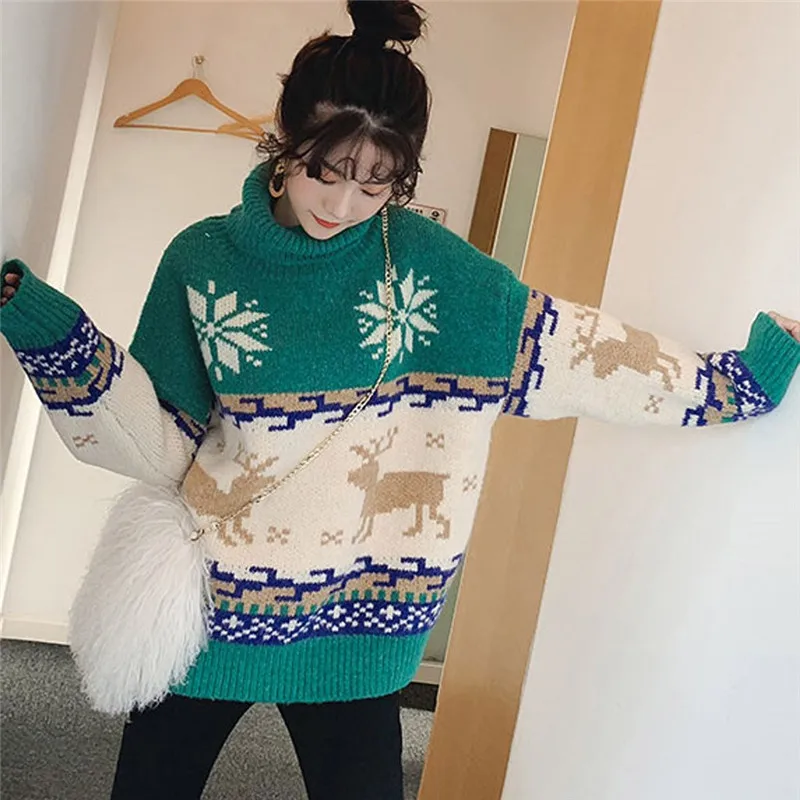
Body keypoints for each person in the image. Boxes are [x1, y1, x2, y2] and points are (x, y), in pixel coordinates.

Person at [2, 2, 799, 798]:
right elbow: (160, 438)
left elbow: (577, 350)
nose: (342, 205)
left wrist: (733, 384)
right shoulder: (203, 261)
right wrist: (47, 330)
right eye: (325, 171)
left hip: (362, 616)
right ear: (285, 139)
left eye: (375, 183)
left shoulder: (431, 269)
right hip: (210, 604)